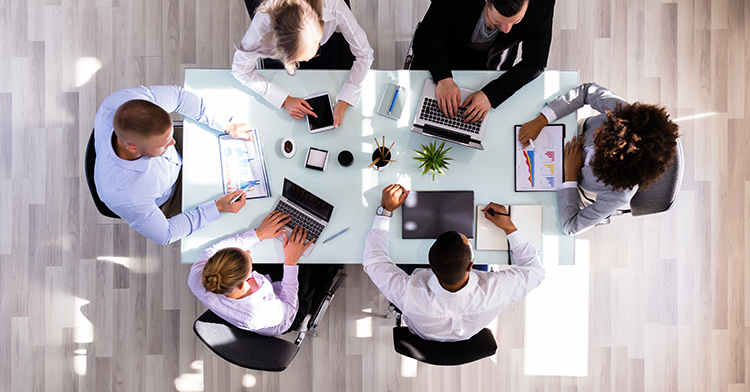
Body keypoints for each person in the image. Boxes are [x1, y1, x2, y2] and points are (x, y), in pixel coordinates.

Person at [362, 184, 545, 342]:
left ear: (430, 266)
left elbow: (373, 261)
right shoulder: (496, 291)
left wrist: (385, 211)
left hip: (424, 332)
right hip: (467, 332)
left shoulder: (409, 295)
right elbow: (535, 271)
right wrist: (508, 227)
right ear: (471, 266)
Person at [94, 85, 253, 245]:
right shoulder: (128, 196)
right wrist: (217, 207)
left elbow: (179, 98)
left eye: (170, 135)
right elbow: (166, 234)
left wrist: (226, 125)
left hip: (171, 157)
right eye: (164, 143)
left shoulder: (125, 103)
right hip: (171, 193)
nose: (173, 141)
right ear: (133, 148)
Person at [518, 82, 680, 235]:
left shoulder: (618, 194)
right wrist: (543, 119)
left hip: (572, 187)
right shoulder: (622, 116)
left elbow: (571, 226)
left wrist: (570, 176)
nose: (596, 132)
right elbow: (587, 91)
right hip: (570, 133)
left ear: (611, 161)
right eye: (603, 128)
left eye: (599, 141)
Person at [411, 0, 555, 124]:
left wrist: (490, 95)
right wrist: (443, 77)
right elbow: (430, 30)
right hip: (444, 45)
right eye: (497, 21)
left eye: (515, 22)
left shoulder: (543, 6)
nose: (507, 30)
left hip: (491, 58)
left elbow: (535, 63)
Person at [232, 0, 374, 128]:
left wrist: (345, 100)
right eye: (299, 60)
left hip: (326, 46)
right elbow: (240, 69)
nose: (308, 60)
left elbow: (365, 54)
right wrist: (284, 99)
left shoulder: (334, 4)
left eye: (315, 49)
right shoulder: (260, 30)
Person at [188, 211, 335, 335]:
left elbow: (213, 250)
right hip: (287, 313)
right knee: (309, 260)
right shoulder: (259, 312)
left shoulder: (197, 278)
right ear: (244, 282)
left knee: (276, 250)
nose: (248, 251)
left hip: (268, 298)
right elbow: (289, 307)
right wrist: (291, 262)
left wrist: (259, 234)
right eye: (249, 262)